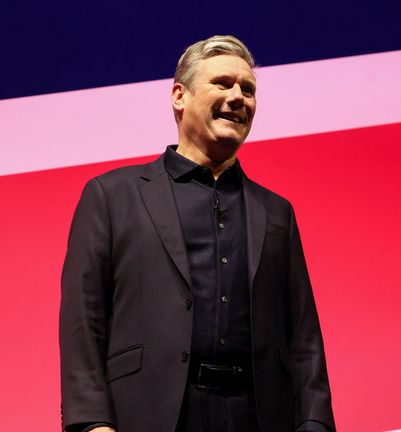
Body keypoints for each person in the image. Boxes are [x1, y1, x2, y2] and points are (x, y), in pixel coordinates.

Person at [60, 35, 335, 432]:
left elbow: (304, 337)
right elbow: (84, 320)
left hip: (257, 418)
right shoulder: (111, 196)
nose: (239, 97)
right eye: (223, 84)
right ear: (179, 96)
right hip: (148, 416)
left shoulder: (277, 212)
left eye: (249, 89)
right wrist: (90, 424)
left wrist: (315, 423)